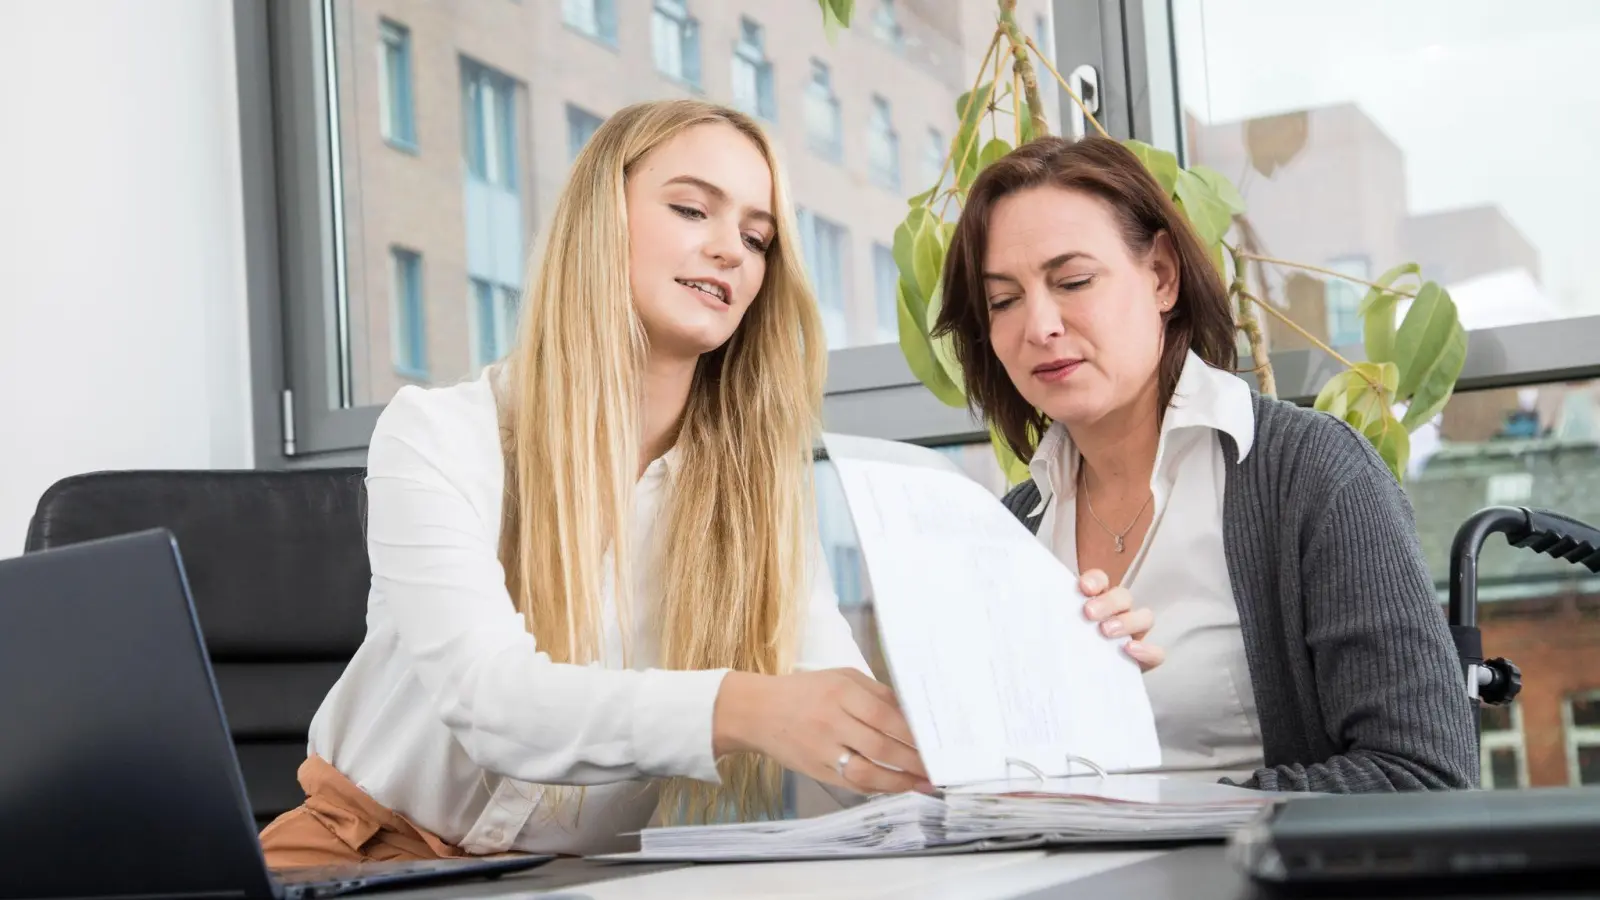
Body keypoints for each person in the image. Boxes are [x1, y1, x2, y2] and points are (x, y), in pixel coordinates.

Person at [258, 99, 936, 866]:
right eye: (691, 209)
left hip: (577, 884)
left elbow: (838, 711)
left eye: (757, 239)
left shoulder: (756, 499)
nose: (731, 251)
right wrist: (741, 706)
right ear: (599, 221)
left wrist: (949, 758)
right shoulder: (443, 432)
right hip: (357, 864)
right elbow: (492, 702)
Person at [931, 135, 1478, 793]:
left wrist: (1180, 817)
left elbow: (1424, 776)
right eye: (1003, 300)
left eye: (1072, 281)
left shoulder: (1310, 475)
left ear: (1161, 275)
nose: (1038, 324)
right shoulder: (1012, 531)